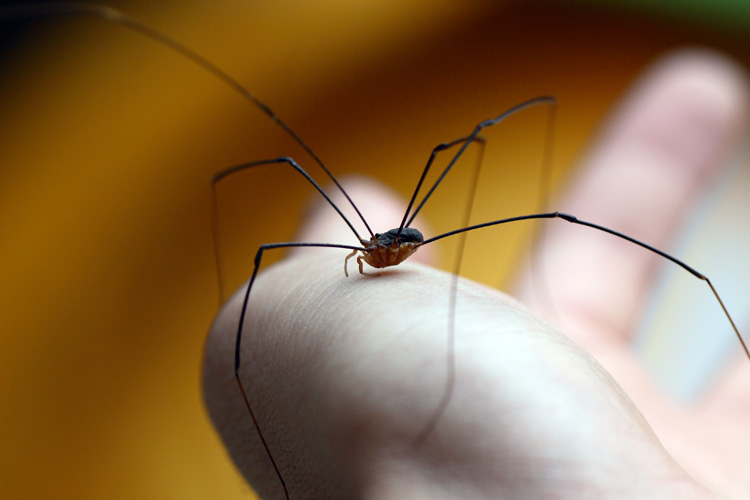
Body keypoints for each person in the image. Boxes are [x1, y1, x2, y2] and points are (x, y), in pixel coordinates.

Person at [203, 50, 749, 499]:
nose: (364, 253)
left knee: (486, 155)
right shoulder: (363, 250)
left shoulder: (395, 248)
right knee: (289, 161)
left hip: (405, 244)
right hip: (388, 250)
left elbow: (466, 146)